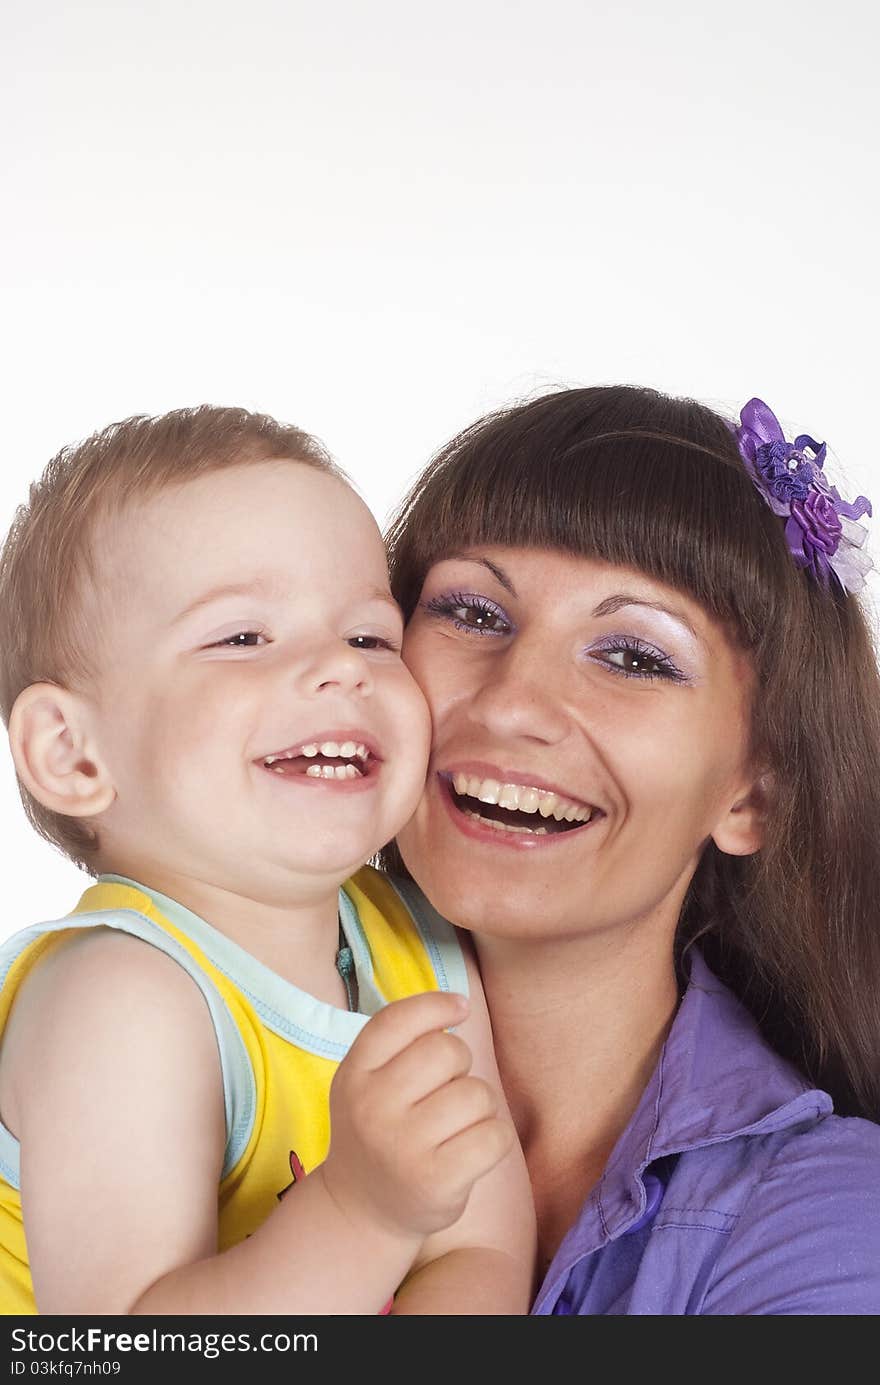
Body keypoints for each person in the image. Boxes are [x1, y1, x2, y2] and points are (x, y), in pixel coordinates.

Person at [0, 406, 536, 1316]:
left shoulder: (415, 943)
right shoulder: (119, 997)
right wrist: (361, 1212)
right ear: (74, 754)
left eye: (370, 635)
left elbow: (483, 1245)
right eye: (243, 636)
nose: (341, 669)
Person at [381, 384, 880, 1314]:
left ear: (752, 795)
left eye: (635, 657)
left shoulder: (830, 1226)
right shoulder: (177, 1043)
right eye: (475, 614)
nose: (510, 703)